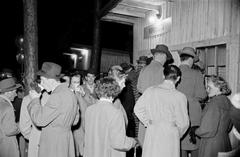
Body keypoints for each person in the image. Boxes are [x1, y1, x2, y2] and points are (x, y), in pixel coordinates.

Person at [134, 65, 189, 157]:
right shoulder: (180, 96)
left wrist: (147, 122)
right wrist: (176, 133)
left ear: (163, 76)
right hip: (170, 132)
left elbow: (137, 108)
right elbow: (184, 123)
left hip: (153, 130)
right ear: (178, 78)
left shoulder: (150, 91)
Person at [27, 62, 79, 157]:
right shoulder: (71, 93)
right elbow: (75, 120)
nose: (41, 84)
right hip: (66, 140)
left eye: (42, 80)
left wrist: (34, 100)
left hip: (53, 143)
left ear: (50, 80)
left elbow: (39, 120)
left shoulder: (56, 96)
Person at [84, 77, 138, 157]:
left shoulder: (89, 110)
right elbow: (119, 143)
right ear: (115, 91)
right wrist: (133, 142)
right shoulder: (115, 112)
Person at [137, 44, 173, 145]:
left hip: (143, 110)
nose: (165, 60)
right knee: (156, 145)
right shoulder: (162, 71)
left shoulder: (144, 69)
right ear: (163, 56)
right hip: (157, 113)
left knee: (145, 143)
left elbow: (139, 88)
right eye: (166, 58)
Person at [177, 47, 207, 157]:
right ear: (191, 59)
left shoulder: (173, 72)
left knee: (180, 146)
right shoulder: (196, 74)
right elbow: (202, 95)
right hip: (193, 115)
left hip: (177, 114)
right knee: (194, 146)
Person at [193, 75, 232, 157]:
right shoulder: (227, 101)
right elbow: (229, 127)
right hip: (224, 142)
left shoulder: (214, 103)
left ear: (218, 87)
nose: (207, 90)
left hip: (211, 145)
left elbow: (207, 129)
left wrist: (195, 130)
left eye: (209, 87)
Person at [19, 77, 50, 157]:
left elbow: (23, 127)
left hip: (36, 142)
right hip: (54, 142)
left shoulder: (27, 99)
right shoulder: (54, 98)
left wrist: (33, 137)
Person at [0, 77, 20, 157]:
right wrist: (20, 125)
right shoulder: (7, 107)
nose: (16, 94)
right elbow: (9, 131)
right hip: (7, 147)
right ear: (8, 92)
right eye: (14, 91)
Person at [69, 72, 87, 157]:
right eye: (74, 82)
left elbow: (85, 109)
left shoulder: (81, 92)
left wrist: (82, 96)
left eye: (78, 82)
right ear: (69, 82)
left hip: (79, 125)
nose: (76, 85)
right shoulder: (67, 92)